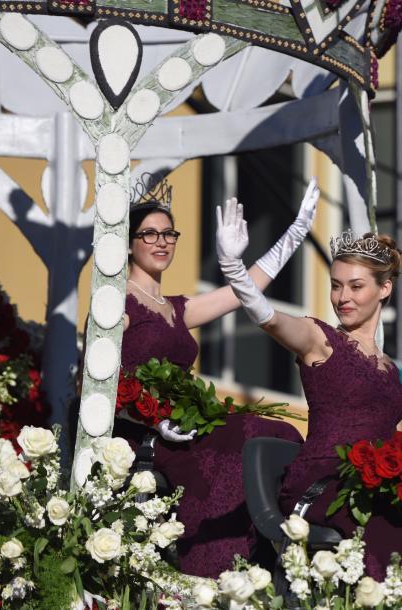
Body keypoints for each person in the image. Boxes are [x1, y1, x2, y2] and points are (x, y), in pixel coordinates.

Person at [216, 219, 402, 609]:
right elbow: (269, 318)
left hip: (380, 480)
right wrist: (233, 270)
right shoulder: (320, 339)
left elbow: (397, 440)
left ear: (384, 289)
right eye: (337, 285)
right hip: (330, 480)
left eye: (356, 286)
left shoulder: (389, 368)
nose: (343, 296)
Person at [113, 177, 320, 577]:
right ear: (128, 242)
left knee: (276, 433)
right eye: (149, 234)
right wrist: (151, 419)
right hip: (147, 432)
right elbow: (90, 382)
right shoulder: (116, 304)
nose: (162, 242)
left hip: (189, 425)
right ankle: (210, 569)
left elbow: (246, 290)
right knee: (237, 444)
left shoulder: (176, 307)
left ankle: (273, 551)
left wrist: (294, 234)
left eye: (168, 233)